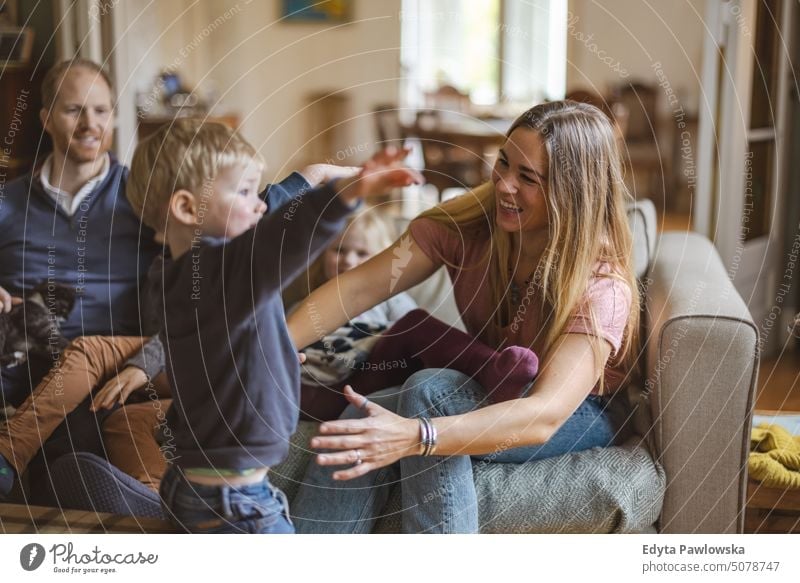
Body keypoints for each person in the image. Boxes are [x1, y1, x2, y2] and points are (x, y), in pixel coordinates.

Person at [287, 100, 641, 533]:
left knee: (429, 390)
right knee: (356, 424)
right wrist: (274, 346)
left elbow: (546, 412)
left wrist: (418, 436)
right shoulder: (467, 228)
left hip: (582, 412)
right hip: (499, 391)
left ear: (572, 191)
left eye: (527, 178)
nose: (504, 185)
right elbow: (359, 288)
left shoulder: (601, 285)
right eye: (503, 163)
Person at [125, 119, 422, 533]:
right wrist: (346, 194)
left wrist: (311, 177)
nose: (261, 204)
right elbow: (279, 240)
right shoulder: (225, 272)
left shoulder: (177, 277)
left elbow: (263, 223)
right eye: (245, 191)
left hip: (193, 485)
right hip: (237, 504)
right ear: (188, 208)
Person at [0, 58, 161, 499]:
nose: (91, 124)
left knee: (76, 440)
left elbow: (215, 257)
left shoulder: (145, 199)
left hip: (109, 376)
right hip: (20, 368)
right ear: (47, 119)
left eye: (101, 111)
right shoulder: (7, 204)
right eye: (74, 110)